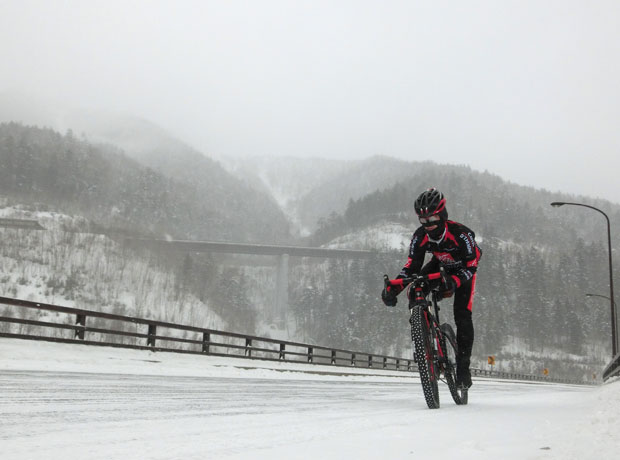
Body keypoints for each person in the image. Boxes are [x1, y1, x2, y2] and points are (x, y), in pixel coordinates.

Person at [381, 188, 482, 389]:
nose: (428, 224)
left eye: (433, 218)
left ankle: (463, 368)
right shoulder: (420, 236)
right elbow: (412, 266)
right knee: (415, 287)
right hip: (440, 266)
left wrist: (454, 281)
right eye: (423, 220)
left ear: (443, 215)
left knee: (462, 315)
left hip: (464, 270)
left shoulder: (461, 234)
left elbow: (472, 264)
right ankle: (423, 335)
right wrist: (394, 289)